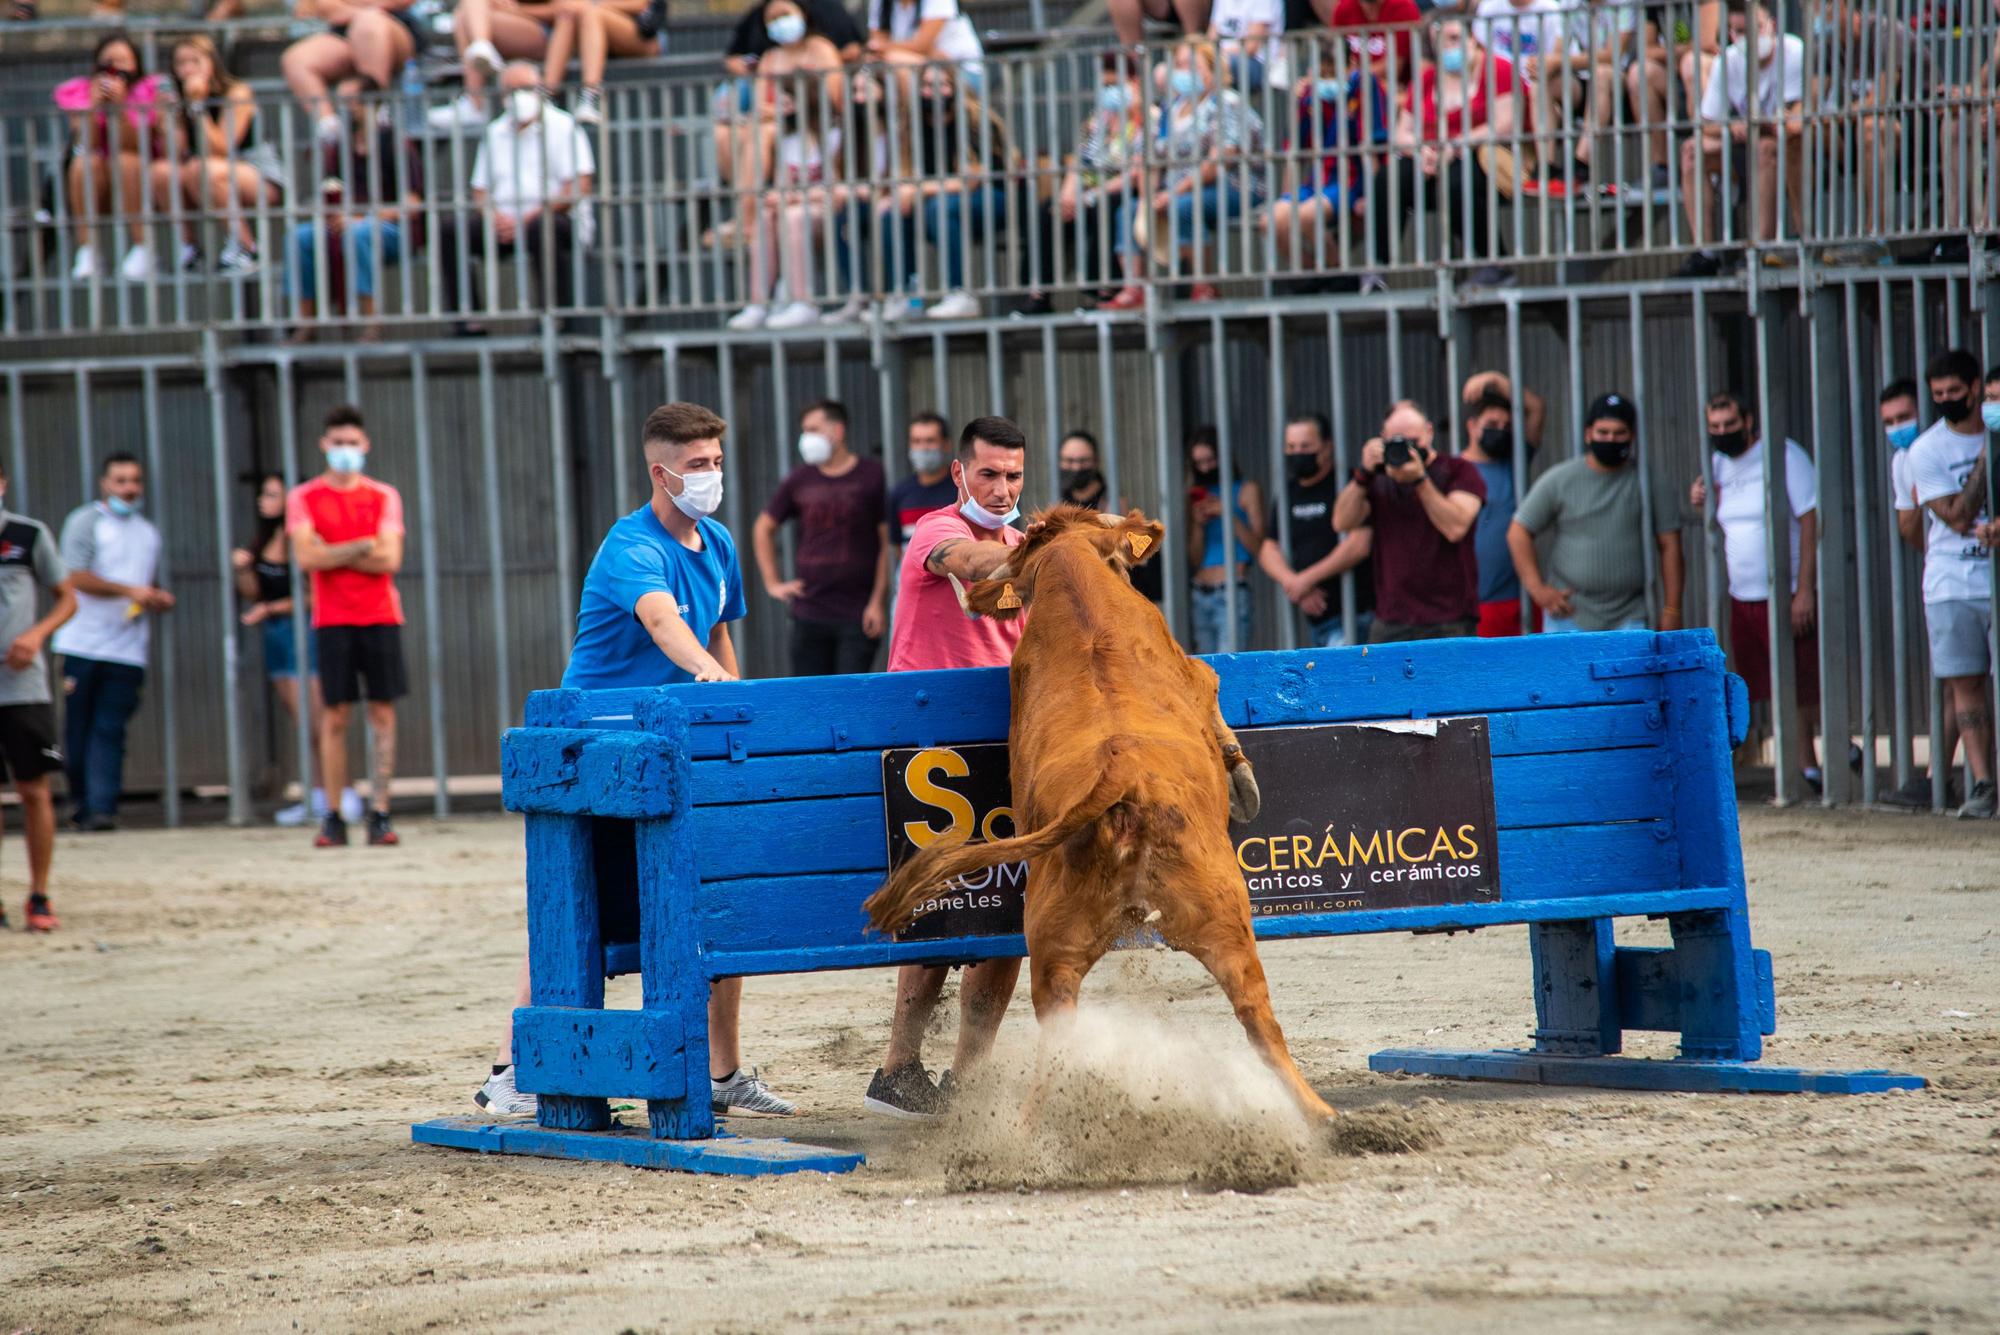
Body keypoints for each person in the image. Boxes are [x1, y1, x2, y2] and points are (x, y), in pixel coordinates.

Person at [479, 401, 796, 1120]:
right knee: (576, 906)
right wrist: (704, 673)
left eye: (717, 462)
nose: (711, 475)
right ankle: (511, 1070)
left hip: (670, 749)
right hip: (593, 753)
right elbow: (664, 622)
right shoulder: (631, 546)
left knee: (716, 896)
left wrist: (731, 700)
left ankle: (722, 1074)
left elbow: (717, 634)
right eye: (696, 465)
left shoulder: (718, 542)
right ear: (661, 472)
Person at [869, 415, 1030, 1119]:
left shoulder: (1027, 547)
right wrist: (1056, 555)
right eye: (988, 474)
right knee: (938, 908)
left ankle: (969, 1080)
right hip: (928, 753)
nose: (1002, 489)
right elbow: (965, 561)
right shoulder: (935, 528)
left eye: (1014, 476)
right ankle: (898, 1069)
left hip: (1005, 745)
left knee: (1012, 911)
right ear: (959, 473)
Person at [1687, 392, 1823, 790]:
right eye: (1714, 427)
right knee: (1760, 683)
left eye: (1730, 424)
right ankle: (1805, 759)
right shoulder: (1717, 463)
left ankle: (1808, 764)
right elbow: (1719, 519)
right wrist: (1700, 501)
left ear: (1748, 421)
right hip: (1741, 596)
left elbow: (1811, 520)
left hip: (1785, 592)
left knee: (1799, 683)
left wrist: (1805, 590)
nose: (1722, 433)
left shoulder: (1783, 454)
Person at [286, 404, 407, 848]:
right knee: (334, 714)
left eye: (352, 442)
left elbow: (390, 559)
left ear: (365, 444)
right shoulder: (303, 497)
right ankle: (333, 814)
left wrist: (332, 550)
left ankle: (380, 811)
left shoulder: (384, 495)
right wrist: (361, 546)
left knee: (382, 712)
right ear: (324, 444)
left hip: (381, 614)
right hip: (332, 618)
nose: (345, 450)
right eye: (337, 442)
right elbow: (306, 557)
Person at [54, 454, 170, 832]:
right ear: (105, 483)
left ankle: (102, 808)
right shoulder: (86, 522)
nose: (129, 488)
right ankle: (81, 803)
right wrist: (129, 590)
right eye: (120, 480)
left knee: (110, 728)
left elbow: (143, 583)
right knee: (78, 729)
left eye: (135, 480)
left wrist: (154, 597)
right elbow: (75, 576)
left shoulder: (147, 532)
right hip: (82, 642)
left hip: (128, 647)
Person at [1363, 15, 1522, 291]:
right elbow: (1401, 132)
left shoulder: (1498, 69)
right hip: (1432, 160)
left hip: (1484, 159)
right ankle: (1376, 268)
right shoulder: (1427, 79)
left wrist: (1456, 145)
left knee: (1457, 182)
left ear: (1472, 40)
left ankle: (1495, 263)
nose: (1448, 46)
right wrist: (1421, 150)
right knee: (1390, 177)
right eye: (1440, 41)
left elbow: (1505, 123)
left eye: (1454, 38)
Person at [1508, 392, 1684, 635]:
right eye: (1603, 432)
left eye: (1619, 433)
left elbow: (1670, 545)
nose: (1611, 439)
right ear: (1588, 434)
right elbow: (1518, 531)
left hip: (1630, 616)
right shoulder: (1561, 479)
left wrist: (1672, 610)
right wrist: (1538, 590)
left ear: (1632, 435)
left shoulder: (1650, 482)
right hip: (1568, 616)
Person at [1905, 350, 1995, 819]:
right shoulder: (1926, 449)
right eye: (1938, 394)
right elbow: (1958, 517)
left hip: (1991, 581)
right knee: (1966, 684)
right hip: (1952, 583)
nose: (1946, 401)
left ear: (1976, 388)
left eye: (1955, 392)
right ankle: (1983, 782)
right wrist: (1989, 452)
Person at [438, 63, 596, 330]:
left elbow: (579, 186)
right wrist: (494, 217)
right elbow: (480, 190)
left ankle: (554, 316)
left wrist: (528, 217)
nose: (518, 96)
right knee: (451, 230)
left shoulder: (564, 126)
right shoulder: (494, 132)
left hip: (554, 220)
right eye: (510, 90)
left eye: (525, 88)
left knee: (543, 228)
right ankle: (468, 318)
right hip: (505, 225)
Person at [753, 399, 890, 676]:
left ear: (837, 431)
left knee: (850, 694)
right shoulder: (799, 479)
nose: (806, 438)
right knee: (809, 695)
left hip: (857, 612)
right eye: (804, 431)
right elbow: (763, 527)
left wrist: (877, 602)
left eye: (813, 430)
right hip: (809, 611)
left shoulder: (872, 475)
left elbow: (887, 543)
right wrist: (773, 583)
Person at [285, 74, 426, 343]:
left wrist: (361, 217)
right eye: (342, 101)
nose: (347, 108)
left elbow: (412, 204)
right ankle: (305, 323)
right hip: (349, 223)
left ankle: (372, 321)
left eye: (353, 100)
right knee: (299, 237)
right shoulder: (340, 145)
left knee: (358, 233)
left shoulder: (395, 141)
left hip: (393, 229)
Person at [1332, 399, 1485, 643]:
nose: (1407, 450)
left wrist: (1420, 481)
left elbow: (1456, 528)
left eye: (1413, 441)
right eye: (1397, 442)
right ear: (1382, 439)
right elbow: (1341, 522)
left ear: (1429, 432)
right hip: (1391, 617)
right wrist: (1363, 474)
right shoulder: (1377, 478)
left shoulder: (1459, 470)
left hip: (1450, 617)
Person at [233, 473, 338, 828]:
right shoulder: (265, 538)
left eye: (272, 494)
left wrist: (272, 609)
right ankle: (318, 796)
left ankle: (338, 795)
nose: (263, 500)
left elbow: (317, 593)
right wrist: (243, 569)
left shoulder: (303, 538)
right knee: (301, 721)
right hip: (276, 634)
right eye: (264, 493)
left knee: (318, 722)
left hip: (303, 630)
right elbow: (253, 592)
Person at [0, 461, 77, 931]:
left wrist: (36, 635)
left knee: (33, 789)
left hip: (22, 686)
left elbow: (68, 597)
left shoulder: (27, 535)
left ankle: (39, 894)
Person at [1130, 38, 1266, 303]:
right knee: (1129, 209)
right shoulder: (1170, 109)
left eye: (1192, 65)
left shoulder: (1227, 102)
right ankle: (1136, 289)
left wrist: (1173, 193)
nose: (1184, 72)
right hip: (1178, 190)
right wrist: (1148, 199)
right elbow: (1149, 157)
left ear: (1213, 69)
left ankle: (1203, 286)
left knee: (1183, 206)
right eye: (1179, 65)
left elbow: (1219, 162)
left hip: (1235, 186)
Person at [1677, 1, 1805, 278]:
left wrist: (1763, 125)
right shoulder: (1728, 60)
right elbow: (1706, 123)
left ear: (1771, 25)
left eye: (1754, 29)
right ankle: (1705, 253)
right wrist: (1733, 126)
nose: (1748, 38)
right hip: (1745, 144)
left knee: (1765, 147)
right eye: (1739, 32)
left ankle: (1763, 249)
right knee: (1691, 151)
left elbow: (1796, 120)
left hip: (1791, 145)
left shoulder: (1794, 50)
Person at [1879, 378, 1962, 809]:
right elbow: (1910, 531)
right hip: (1946, 578)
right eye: (1890, 422)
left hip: (1970, 572)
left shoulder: (1948, 445)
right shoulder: (1903, 460)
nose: (1899, 428)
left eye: (1905, 417)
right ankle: (1938, 777)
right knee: (1957, 682)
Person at [878, 61, 1012, 321]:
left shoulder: (973, 117)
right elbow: (904, 175)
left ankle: (960, 292)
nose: (935, 92)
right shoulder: (913, 124)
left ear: (954, 87)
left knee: (939, 207)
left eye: (942, 85)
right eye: (928, 85)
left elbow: (971, 179)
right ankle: (906, 296)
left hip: (992, 198)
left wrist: (917, 190)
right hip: (937, 202)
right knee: (891, 214)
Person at [726, 52, 848, 332]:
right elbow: (783, 185)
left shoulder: (834, 134)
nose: (779, 109)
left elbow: (838, 188)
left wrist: (796, 196)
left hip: (828, 210)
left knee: (794, 217)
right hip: (797, 206)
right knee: (766, 217)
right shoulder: (786, 138)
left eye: (786, 102)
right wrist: (778, 198)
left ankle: (803, 301)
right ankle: (758, 303)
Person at [150, 35, 286, 277]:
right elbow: (175, 155)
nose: (188, 69)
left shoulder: (237, 92)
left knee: (201, 167)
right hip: (203, 177)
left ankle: (246, 247)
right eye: (181, 63)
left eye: (195, 61)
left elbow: (221, 148)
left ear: (212, 63)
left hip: (257, 177)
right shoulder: (178, 99)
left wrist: (198, 107)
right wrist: (168, 119)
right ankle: (190, 249)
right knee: (161, 172)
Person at [1265, 44, 1389, 280]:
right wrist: (1286, 196)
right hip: (1316, 183)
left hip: (1351, 182)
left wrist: (1372, 195)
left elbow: (1371, 146)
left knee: (1307, 216)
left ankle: (1337, 271)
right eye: (1323, 73)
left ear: (1351, 65)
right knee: (1272, 221)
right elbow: (1295, 150)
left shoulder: (1364, 85)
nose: (1328, 79)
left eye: (1333, 72)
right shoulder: (1311, 93)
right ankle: (1312, 275)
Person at [1255, 411, 1374, 647]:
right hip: (1316, 622)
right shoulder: (1288, 493)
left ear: (1327, 446)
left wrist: (1306, 580)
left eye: (1306, 446)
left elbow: (1359, 545)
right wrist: (1294, 583)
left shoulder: (1350, 485)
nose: (1297, 453)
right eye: (1291, 447)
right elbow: (1268, 549)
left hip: (1354, 616)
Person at [55, 34, 166, 283]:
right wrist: (95, 106)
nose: (115, 68)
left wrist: (121, 108)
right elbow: (85, 144)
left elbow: (135, 144)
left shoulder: (149, 89)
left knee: (126, 160)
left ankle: (143, 246)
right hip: (100, 179)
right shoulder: (84, 91)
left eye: (123, 61)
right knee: (84, 162)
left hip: (140, 174)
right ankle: (88, 250)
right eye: (109, 61)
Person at [1046, 53, 1148, 309]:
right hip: (1091, 190)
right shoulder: (1098, 120)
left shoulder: (1148, 118)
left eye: (1114, 84)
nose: (1108, 91)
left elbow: (1135, 173)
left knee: (1105, 206)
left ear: (1134, 82)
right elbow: (1081, 160)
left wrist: (1090, 196)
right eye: (1104, 85)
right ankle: (1038, 293)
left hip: (1125, 189)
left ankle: (1104, 287)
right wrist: (1067, 195)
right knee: (1049, 211)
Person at [280, 0, 422, 145]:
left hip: (396, 30)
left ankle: (376, 113)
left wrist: (354, 7)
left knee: (369, 23)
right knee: (296, 59)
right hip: (346, 31)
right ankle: (330, 129)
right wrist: (359, 11)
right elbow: (326, 6)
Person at [1058, 429, 1164, 604]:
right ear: (1060, 462)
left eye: (1083, 461)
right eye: (1069, 461)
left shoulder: (1114, 503)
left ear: (1096, 462)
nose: (1076, 467)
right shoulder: (1060, 504)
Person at [1185, 425, 1264, 653]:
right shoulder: (1195, 495)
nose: (1205, 468)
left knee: (1228, 666)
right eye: (1198, 463)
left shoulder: (1246, 490)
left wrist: (1227, 513)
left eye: (1210, 460)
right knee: (1204, 667)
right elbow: (1194, 559)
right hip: (1199, 593)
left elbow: (1260, 548)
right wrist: (1198, 525)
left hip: (1231, 591)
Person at [1459, 386, 1530, 637]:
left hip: (1514, 600)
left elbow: (1536, 409)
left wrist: (1497, 381)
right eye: (1491, 424)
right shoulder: (1451, 470)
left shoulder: (1516, 464)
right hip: (1466, 603)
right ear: (1472, 426)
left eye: (1506, 425)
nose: (1500, 430)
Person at [427, 0, 556, 132]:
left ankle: (475, 101)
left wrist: (516, 10)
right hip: (510, 20)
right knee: (466, 12)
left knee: (467, 16)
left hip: (547, 33)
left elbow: (563, 9)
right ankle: (482, 48)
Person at [541, 0, 658, 124]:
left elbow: (639, 4)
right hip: (591, 30)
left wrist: (593, 5)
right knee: (567, 15)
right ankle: (546, 96)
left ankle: (590, 97)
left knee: (591, 13)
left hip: (642, 34)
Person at [887, 412, 958, 559]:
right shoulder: (899, 493)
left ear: (946, 445)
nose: (923, 448)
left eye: (930, 441)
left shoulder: (962, 489)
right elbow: (898, 545)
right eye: (916, 441)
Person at [866, 0, 985, 86]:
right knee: (871, 66)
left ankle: (907, 114)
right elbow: (876, 46)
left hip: (962, 73)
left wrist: (886, 48)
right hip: (924, 67)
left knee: (898, 62)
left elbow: (921, 46)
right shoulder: (880, 3)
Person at [1324, 0, 1423, 82]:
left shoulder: (1403, 7)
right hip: (1353, 89)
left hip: (1397, 90)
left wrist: (1355, 74)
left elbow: (1393, 68)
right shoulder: (1344, 8)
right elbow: (1332, 59)